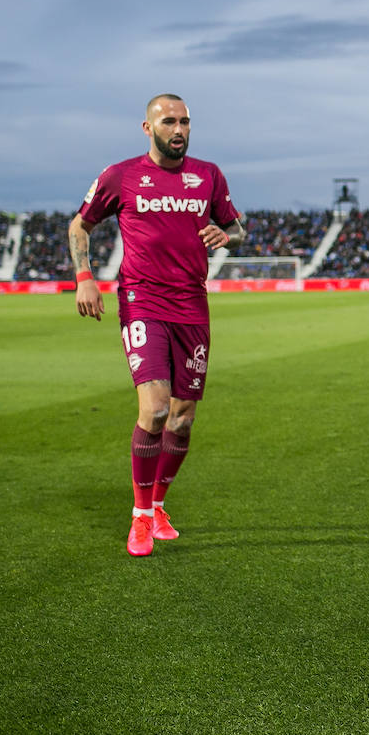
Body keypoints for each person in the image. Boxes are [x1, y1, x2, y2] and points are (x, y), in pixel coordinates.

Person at [68, 94, 245, 557]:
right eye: (169, 121)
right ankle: (141, 516)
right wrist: (85, 278)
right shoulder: (121, 176)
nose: (179, 129)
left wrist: (227, 234)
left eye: (185, 121)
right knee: (157, 408)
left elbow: (237, 227)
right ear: (147, 128)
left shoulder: (209, 175)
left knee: (184, 419)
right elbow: (79, 226)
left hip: (192, 304)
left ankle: (160, 506)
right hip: (142, 299)